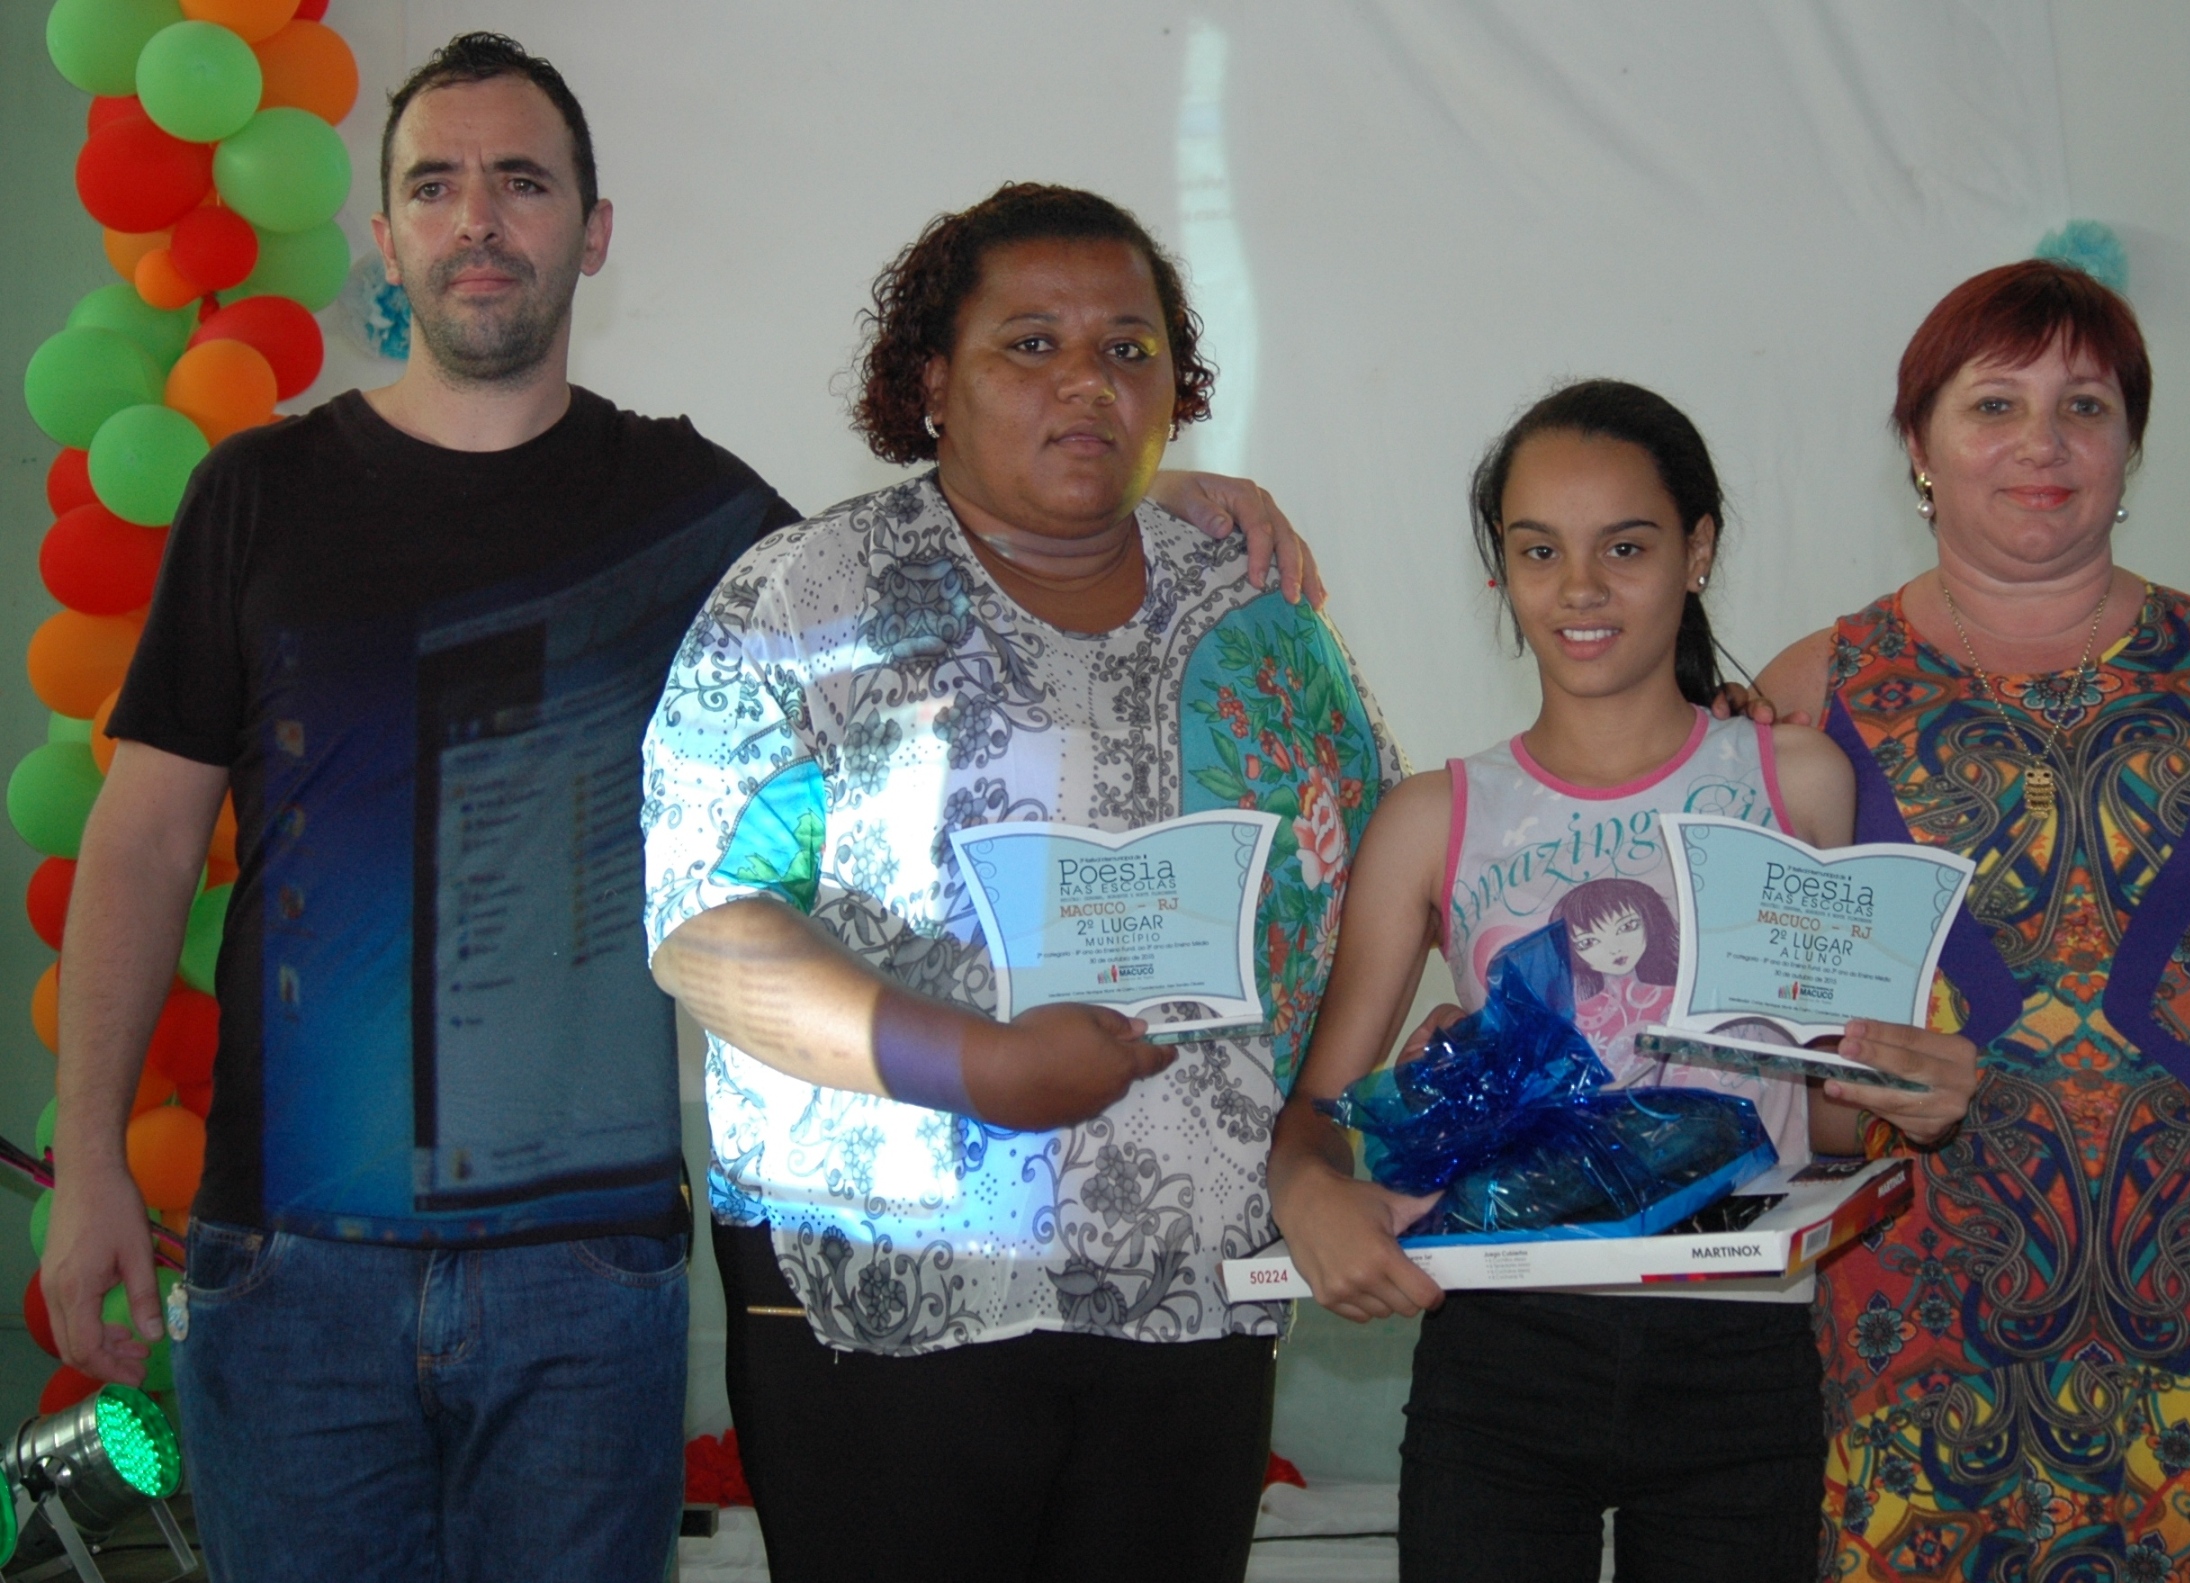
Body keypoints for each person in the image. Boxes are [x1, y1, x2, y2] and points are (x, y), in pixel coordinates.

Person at [41, 38, 1309, 1583]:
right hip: (293, 1263)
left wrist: (1130, 489)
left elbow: (941, 552)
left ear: (593, 230)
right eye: (435, 185)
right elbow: (143, 842)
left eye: (523, 182)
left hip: (589, 1283)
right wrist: (92, 1154)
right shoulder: (258, 492)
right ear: (385, 234)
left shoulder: (696, 514)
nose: (478, 218)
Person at [642, 181, 1401, 1583]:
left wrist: (1314, 1131)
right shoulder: (811, 596)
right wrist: (976, 1063)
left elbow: (1381, 875)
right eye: (1030, 344)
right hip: (883, 1299)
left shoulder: (1255, 613)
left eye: (1127, 348)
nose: (1086, 382)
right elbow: (708, 924)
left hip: (1194, 1294)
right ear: (933, 380)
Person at [1751, 259, 2190, 1580]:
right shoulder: (1811, 691)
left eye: (2084, 405)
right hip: (1919, 1296)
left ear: (2130, 445)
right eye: (1993, 405)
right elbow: (1767, 1036)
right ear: (1919, 446)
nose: (2042, 443)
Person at [1266, 380, 1976, 1583]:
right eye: (1539, 550)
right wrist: (1307, 1185)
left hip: (1740, 1356)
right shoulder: (1433, 816)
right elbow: (1318, 1106)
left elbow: (1822, 1113)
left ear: (1697, 551)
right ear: (1501, 571)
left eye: (1627, 547)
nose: (1580, 588)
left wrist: (1913, 1100)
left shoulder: (1796, 780)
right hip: (1501, 1351)